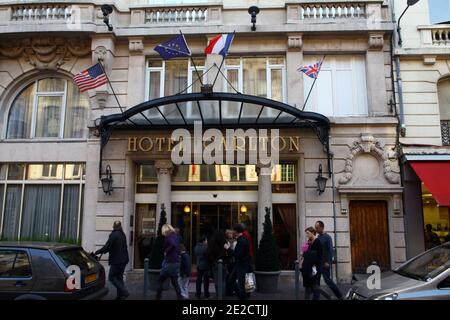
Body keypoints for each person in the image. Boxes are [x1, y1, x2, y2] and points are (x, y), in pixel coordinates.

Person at [94, 221, 129, 300]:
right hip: (124, 260)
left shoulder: (113, 235)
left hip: (117, 261)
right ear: (120, 226)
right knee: (119, 278)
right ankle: (119, 296)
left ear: (113, 226)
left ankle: (124, 292)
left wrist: (98, 252)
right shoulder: (123, 234)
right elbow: (111, 247)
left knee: (111, 277)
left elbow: (107, 247)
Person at [315, 220, 343, 300]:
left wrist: (328, 262)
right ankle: (316, 298)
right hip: (318, 263)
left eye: (317, 228)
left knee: (328, 281)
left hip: (325, 263)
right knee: (316, 282)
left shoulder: (327, 237)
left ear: (321, 227)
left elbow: (330, 250)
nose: (316, 229)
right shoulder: (319, 237)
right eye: (315, 228)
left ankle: (340, 296)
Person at [155, 224, 182, 300]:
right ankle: (180, 297)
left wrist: (166, 251)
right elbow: (177, 246)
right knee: (174, 281)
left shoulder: (169, 236)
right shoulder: (175, 236)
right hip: (176, 261)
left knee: (160, 280)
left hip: (170, 262)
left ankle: (158, 297)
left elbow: (173, 245)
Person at [301, 227, 325, 300]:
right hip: (309, 267)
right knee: (310, 285)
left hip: (315, 267)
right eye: (306, 233)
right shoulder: (309, 241)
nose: (307, 235)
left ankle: (321, 297)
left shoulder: (318, 242)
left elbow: (320, 255)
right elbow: (307, 253)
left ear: (312, 233)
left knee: (315, 285)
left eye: (308, 233)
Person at [229, 224, 252, 300]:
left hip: (241, 264)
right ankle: (241, 296)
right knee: (232, 280)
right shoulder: (242, 239)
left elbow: (238, 254)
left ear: (236, 231)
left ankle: (242, 297)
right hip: (240, 264)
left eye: (233, 230)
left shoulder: (241, 240)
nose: (232, 232)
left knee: (240, 282)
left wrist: (228, 249)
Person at [205, 230, 229, 298]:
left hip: (215, 264)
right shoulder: (225, 243)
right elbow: (229, 252)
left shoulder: (212, 244)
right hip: (223, 263)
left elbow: (207, 254)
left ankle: (219, 295)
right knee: (223, 280)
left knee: (217, 281)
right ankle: (222, 295)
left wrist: (211, 261)